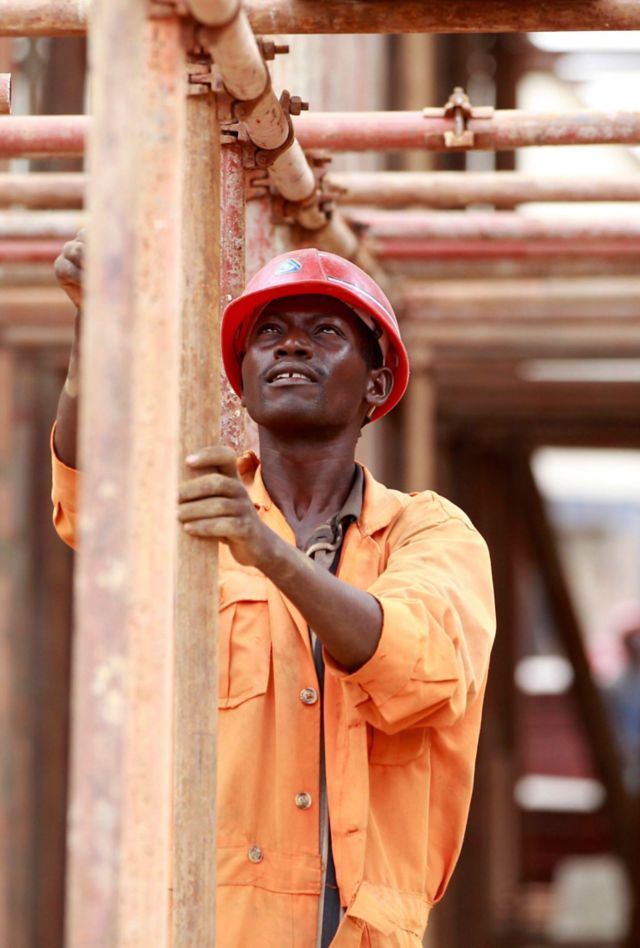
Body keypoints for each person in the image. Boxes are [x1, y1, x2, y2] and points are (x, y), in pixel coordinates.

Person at [52, 236, 495, 947]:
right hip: (207, 924)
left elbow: (423, 671)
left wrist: (266, 553)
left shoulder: (429, 533)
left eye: (324, 332)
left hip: (360, 932)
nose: (291, 347)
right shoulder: (194, 515)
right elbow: (93, 499)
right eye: (269, 335)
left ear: (376, 386)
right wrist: (96, 329)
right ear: (244, 379)